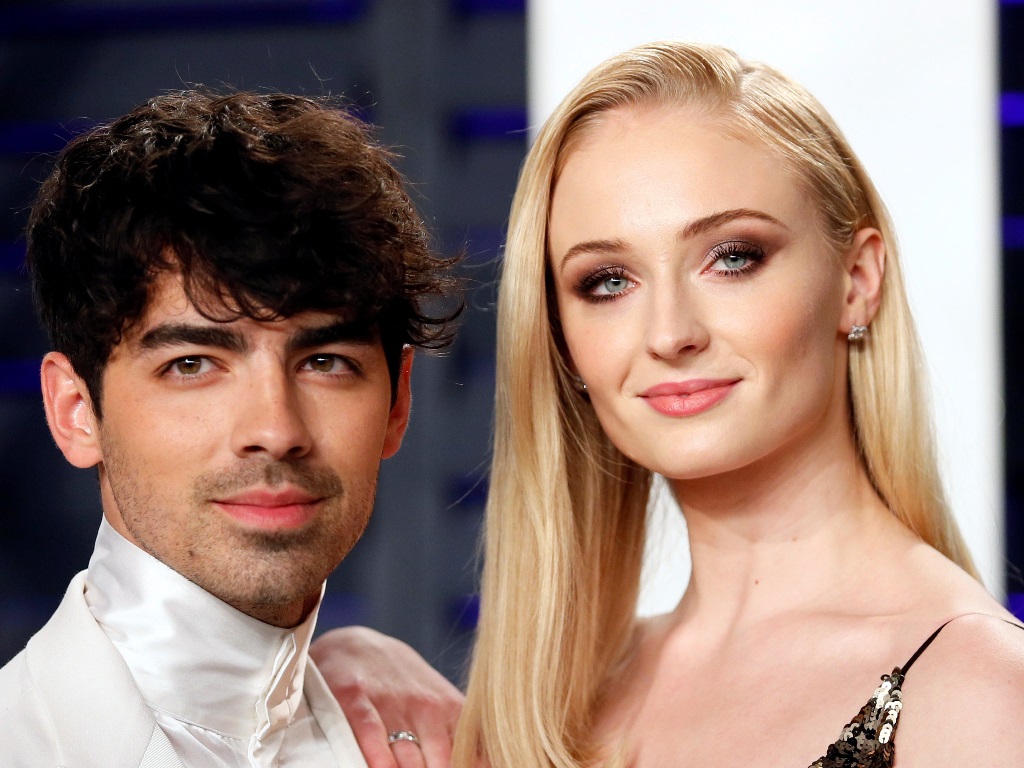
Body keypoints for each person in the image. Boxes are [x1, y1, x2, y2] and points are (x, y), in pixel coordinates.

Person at [314, 40, 1024, 767]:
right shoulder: (554, 706)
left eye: (733, 257)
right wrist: (323, 669)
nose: (669, 334)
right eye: (608, 282)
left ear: (857, 281)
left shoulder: (981, 692)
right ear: (561, 337)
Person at [0, 89, 461, 768]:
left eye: (325, 361)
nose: (275, 430)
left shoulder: (432, 734)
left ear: (398, 404)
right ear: (76, 412)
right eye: (192, 365)